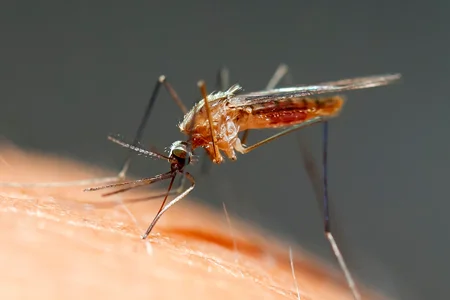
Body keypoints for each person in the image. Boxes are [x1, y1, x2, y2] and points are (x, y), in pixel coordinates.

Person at [0, 144, 382, 299]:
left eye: (175, 162)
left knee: (305, 148)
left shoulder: (199, 141)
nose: (176, 167)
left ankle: (333, 237)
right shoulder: (190, 142)